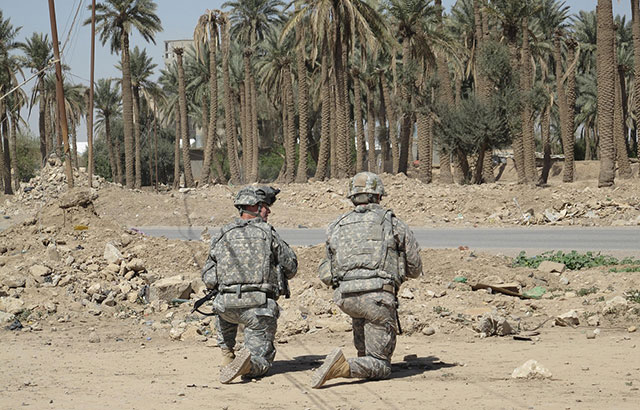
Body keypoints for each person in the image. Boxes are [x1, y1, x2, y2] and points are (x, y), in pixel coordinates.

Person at [312, 172, 422, 388]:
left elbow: (327, 269)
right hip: (378, 298)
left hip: (346, 298)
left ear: (352, 196)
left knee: (362, 318)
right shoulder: (392, 222)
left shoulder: (336, 225)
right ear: (378, 195)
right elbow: (415, 267)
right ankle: (345, 367)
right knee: (381, 366)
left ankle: (363, 360)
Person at [201, 185, 297, 384]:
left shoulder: (222, 234)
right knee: (262, 360)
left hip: (226, 308)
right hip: (258, 308)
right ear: (254, 207)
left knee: (222, 306)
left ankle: (227, 355)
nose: (268, 211)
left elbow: (209, 277)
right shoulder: (268, 233)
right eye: (264, 207)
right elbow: (291, 266)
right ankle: (249, 365)